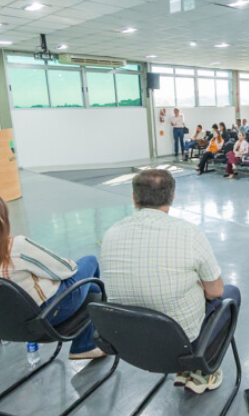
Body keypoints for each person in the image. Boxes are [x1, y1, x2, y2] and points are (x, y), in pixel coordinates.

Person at [101, 169, 239, 394]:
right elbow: (215, 291)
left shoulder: (111, 233)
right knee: (231, 294)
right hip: (179, 346)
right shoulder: (189, 234)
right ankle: (203, 369)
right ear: (172, 198)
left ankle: (193, 371)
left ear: (134, 198)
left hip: (126, 342)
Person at [0, 194, 105, 360]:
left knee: (92, 289)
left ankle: (85, 345)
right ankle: (84, 345)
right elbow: (65, 269)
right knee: (89, 262)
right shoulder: (16, 246)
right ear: (1, 221)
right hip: (42, 317)